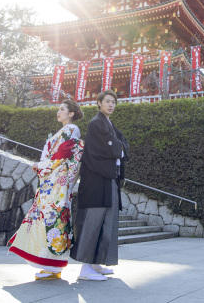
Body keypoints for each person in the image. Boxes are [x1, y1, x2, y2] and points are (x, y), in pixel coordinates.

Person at [8, 100, 84, 280]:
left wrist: (41, 165)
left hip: (57, 184)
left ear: (71, 113)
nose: (59, 112)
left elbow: (62, 155)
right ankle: (49, 264)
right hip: (53, 182)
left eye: (62, 109)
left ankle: (52, 265)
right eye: (59, 109)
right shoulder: (65, 131)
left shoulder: (71, 130)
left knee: (54, 220)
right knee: (48, 220)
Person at [70, 89, 130, 281]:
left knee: (106, 221)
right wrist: (117, 148)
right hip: (96, 181)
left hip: (108, 178)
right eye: (107, 101)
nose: (111, 105)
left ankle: (95, 263)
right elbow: (112, 147)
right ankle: (85, 269)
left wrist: (117, 147)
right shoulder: (96, 123)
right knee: (92, 221)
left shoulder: (108, 124)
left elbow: (122, 145)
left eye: (113, 102)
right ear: (99, 103)